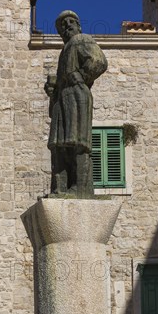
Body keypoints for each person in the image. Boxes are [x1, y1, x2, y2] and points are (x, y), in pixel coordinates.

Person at [44, 10, 108, 198]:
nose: (68, 26)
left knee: (77, 142)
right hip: (63, 97)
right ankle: (60, 187)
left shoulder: (82, 39)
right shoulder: (65, 50)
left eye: (71, 22)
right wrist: (53, 89)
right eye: (63, 25)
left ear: (78, 25)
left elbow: (99, 61)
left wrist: (81, 76)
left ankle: (79, 188)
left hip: (76, 94)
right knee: (58, 144)